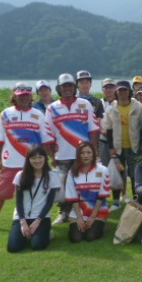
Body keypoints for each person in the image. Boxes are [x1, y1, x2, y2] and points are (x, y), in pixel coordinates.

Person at [0, 82, 52, 234]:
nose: (24, 98)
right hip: (11, 161)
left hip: (34, 162)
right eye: (21, 96)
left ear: (31, 96)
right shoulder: (5, 114)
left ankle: (37, 222)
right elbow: (0, 139)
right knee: (1, 193)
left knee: (36, 193)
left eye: (27, 95)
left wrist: (48, 159)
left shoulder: (38, 114)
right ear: (14, 97)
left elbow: (45, 140)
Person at [44, 73, 100, 226]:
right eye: (64, 86)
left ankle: (85, 212)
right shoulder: (52, 108)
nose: (67, 89)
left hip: (84, 154)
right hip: (62, 155)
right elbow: (48, 134)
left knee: (85, 184)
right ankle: (64, 213)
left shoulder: (85, 104)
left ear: (75, 88)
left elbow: (94, 129)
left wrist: (95, 150)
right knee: (63, 187)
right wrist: (51, 156)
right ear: (59, 89)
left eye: (70, 86)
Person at [7, 145, 61, 252]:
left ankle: (45, 233)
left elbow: (49, 203)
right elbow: (19, 202)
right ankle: (28, 234)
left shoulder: (52, 176)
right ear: (28, 160)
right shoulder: (21, 175)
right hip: (21, 216)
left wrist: (37, 222)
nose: (37, 160)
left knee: (37, 246)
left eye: (40, 157)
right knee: (14, 248)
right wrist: (23, 223)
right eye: (33, 158)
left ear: (45, 158)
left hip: (41, 217)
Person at [102, 80, 142, 209]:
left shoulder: (139, 107)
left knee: (135, 175)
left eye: (125, 90)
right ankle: (116, 201)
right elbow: (108, 129)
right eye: (120, 90)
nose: (122, 93)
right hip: (117, 148)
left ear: (129, 92)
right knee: (117, 174)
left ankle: (136, 200)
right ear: (116, 92)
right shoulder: (111, 108)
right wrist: (110, 148)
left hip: (135, 147)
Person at [65, 141, 110, 243]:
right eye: (82, 152)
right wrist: (79, 218)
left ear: (94, 154)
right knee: (76, 238)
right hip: (78, 212)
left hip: (98, 211)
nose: (85, 155)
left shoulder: (103, 170)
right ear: (78, 154)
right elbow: (73, 197)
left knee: (90, 236)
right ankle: (79, 224)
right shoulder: (72, 172)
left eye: (89, 152)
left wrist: (93, 216)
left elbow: (102, 195)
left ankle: (102, 225)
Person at [98, 78, 117, 182]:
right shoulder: (99, 103)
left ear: (115, 89)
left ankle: (121, 192)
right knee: (104, 167)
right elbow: (96, 120)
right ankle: (103, 190)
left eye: (111, 87)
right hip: (103, 140)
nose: (109, 90)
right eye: (106, 88)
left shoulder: (119, 103)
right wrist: (102, 131)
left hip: (117, 141)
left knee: (119, 166)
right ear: (103, 89)